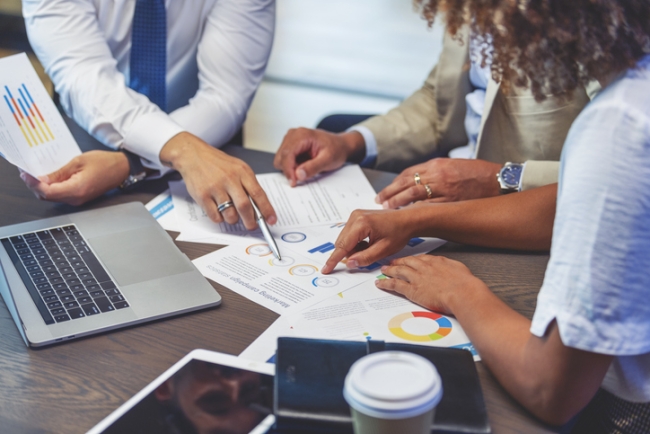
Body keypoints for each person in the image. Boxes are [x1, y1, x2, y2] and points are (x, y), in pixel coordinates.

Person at [322, 0, 650, 430]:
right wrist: (420, 219)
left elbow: (551, 389)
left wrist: (459, 290)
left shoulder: (619, 127)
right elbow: (569, 202)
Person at [20, 0, 277, 231]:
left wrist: (129, 165)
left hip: (205, 140)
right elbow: (85, 78)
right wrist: (183, 150)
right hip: (89, 141)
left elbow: (225, 95)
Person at [273, 24, 593, 208]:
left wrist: (498, 178)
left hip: (527, 207)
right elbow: (439, 102)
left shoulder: (603, 20)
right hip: (456, 182)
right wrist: (350, 142)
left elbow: (632, 174)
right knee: (335, 128)